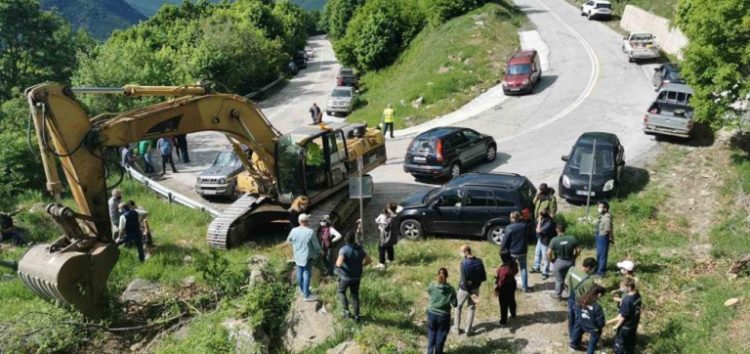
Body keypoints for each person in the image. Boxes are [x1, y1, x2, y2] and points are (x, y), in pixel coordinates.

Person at [335, 222, 372, 322]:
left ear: (346, 239)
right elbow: (369, 260)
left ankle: (346, 311)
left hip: (346, 277)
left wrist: (342, 267)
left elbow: (338, 264)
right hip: (357, 276)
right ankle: (357, 316)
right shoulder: (360, 249)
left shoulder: (344, 250)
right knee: (355, 295)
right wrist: (361, 265)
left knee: (341, 291)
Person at [287, 213, 322, 301]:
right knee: (306, 274)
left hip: (297, 256)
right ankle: (306, 295)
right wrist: (321, 252)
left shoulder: (294, 230)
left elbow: (289, 240)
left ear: (299, 221)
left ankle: (303, 290)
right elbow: (316, 246)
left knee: (299, 273)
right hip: (308, 256)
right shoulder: (310, 232)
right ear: (307, 222)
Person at [565, 257, 597, 352]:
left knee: (571, 317)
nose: (592, 271)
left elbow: (566, 283)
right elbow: (590, 296)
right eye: (592, 269)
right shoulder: (589, 281)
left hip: (571, 298)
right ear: (588, 267)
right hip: (580, 302)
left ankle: (571, 335)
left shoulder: (572, 269)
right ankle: (575, 342)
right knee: (579, 322)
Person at [454, 245, 486, 335]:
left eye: (461, 252)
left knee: (458, 307)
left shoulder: (463, 263)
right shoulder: (479, 261)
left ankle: (456, 329)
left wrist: (469, 291)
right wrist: (475, 286)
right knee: (471, 308)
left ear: (466, 252)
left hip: (464, 289)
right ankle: (468, 330)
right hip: (475, 288)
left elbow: (463, 280)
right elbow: (483, 277)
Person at [606, 278, 641, 354]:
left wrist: (609, 324)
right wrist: (620, 299)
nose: (620, 288)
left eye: (622, 287)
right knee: (630, 343)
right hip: (634, 323)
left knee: (620, 346)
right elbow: (631, 306)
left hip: (626, 327)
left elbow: (621, 318)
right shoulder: (637, 294)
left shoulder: (627, 300)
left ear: (628, 287)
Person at [427, 268, 457, 354]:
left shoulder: (432, 285)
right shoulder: (451, 289)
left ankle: (429, 352)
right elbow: (455, 304)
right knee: (441, 335)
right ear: (447, 276)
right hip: (443, 316)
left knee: (431, 333)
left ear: (437, 275)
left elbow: (429, 292)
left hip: (431, 313)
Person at [547, 223, 580, 300]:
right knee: (570, 279)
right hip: (570, 261)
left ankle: (558, 296)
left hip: (559, 261)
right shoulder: (572, 238)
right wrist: (574, 257)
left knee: (559, 279)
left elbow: (548, 253)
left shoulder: (554, 240)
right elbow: (578, 250)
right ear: (565, 229)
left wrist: (552, 260)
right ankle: (572, 295)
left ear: (557, 229)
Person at [499, 211, 530, 292]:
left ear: (512, 218)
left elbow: (504, 241)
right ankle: (525, 287)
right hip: (523, 251)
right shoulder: (524, 226)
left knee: (511, 270)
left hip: (512, 252)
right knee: (523, 269)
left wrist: (502, 250)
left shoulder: (509, 227)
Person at [578, 285, 607, 354]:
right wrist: (602, 325)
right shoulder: (597, 307)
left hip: (583, 325)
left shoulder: (582, 299)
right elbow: (601, 322)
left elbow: (578, 311)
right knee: (592, 343)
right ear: (599, 294)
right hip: (594, 329)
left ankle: (576, 343)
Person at [531, 207, 556, 279]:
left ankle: (545, 272)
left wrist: (539, 221)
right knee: (537, 253)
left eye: (539, 215)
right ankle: (536, 267)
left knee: (545, 257)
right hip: (541, 239)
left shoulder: (549, 223)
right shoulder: (544, 219)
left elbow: (538, 230)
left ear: (542, 216)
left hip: (546, 241)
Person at [495, 253, 518, 325]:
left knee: (503, 304)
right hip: (512, 284)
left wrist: (497, 289)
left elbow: (501, 280)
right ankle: (513, 314)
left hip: (504, 288)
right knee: (512, 300)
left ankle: (503, 321)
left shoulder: (503, 269)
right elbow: (516, 271)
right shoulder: (514, 264)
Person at [375, 202, 398, 268]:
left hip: (386, 236)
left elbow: (386, 227)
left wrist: (379, 223)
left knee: (381, 247)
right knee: (389, 246)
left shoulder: (391, 218)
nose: (387, 209)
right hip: (392, 236)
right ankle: (390, 259)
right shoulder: (395, 215)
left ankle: (381, 263)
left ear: (390, 209)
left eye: (388, 208)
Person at [595, 201, 613, 276]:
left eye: (600, 207)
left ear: (605, 209)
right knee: (599, 254)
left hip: (603, 237)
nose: (598, 208)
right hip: (599, 236)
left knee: (602, 256)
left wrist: (610, 239)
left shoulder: (607, 218)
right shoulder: (602, 216)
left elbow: (608, 230)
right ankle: (598, 267)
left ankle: (601, 272)